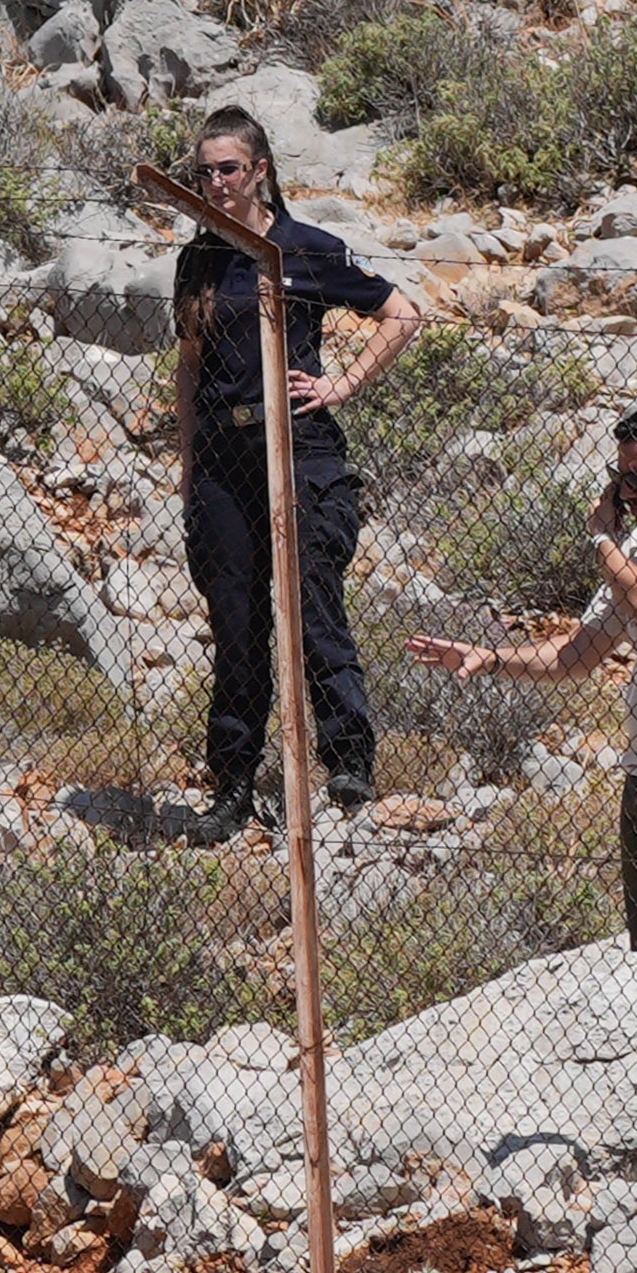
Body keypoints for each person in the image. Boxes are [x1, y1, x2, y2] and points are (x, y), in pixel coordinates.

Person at [403, 403, 637, 1173]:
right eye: (618, 477)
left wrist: (603, 541)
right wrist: (488, 659)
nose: (625, 491)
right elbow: (580, 655)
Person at [172, 106, 426, 840]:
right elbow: (189, 368)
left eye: (227, 168)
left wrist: (340, 384)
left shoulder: (302, 248)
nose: (214, 183)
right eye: (204, 171)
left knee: (315, 609)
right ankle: (231, 785)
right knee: (237, 624)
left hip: (299, 449)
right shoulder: (198, 260)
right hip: (224, 459)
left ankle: (349, 763)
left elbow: (402, 315)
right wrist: (188, 464)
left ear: (260, 171)